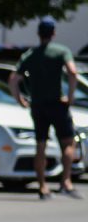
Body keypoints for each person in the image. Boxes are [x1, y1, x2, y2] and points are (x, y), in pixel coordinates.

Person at [10, 16, 80, 199]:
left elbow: (13, 79)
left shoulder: (30, 55)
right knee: (68, 142)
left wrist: (20, 100)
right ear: (54, 33)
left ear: (38, 33)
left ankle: (42, 187)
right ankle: (66, 181)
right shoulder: (61, 51)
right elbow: (73, 72)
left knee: (40, 145)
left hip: (38, 105)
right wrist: (70, 96)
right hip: (57, 104)